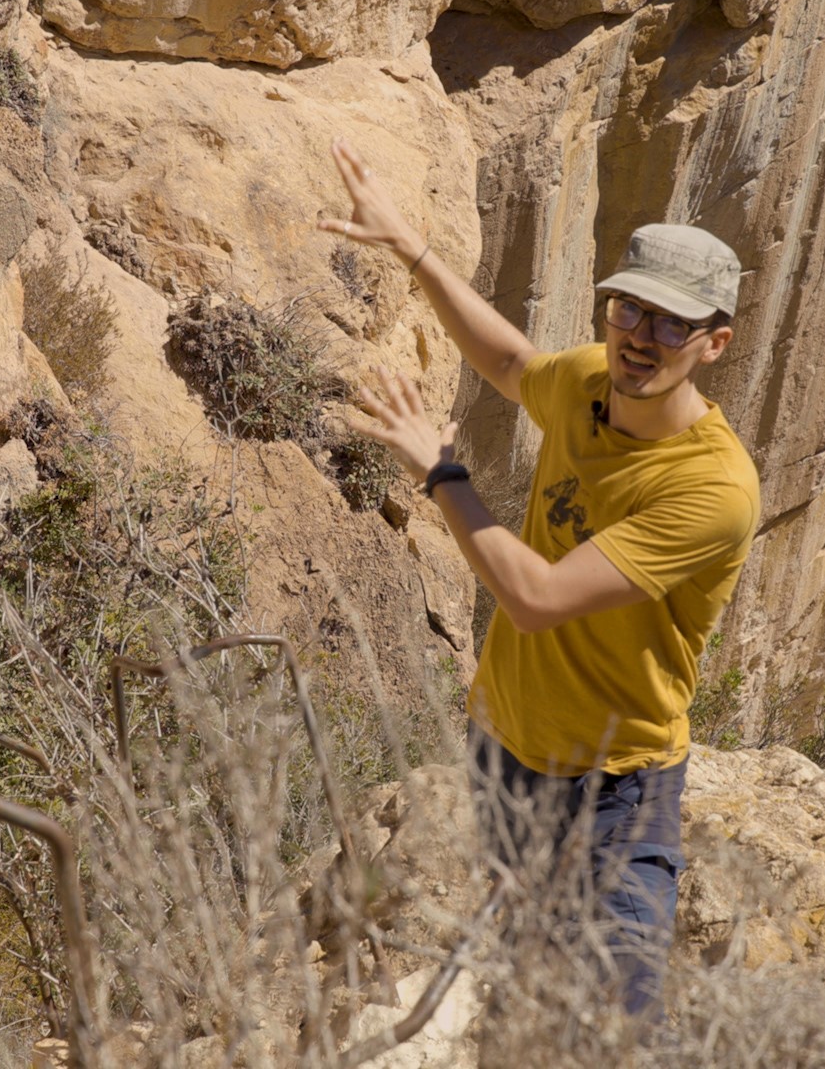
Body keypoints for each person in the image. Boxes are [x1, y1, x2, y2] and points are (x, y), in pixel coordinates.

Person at [320, 138, 760, 1026]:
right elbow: (516, 368)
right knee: (532, 995)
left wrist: (442, 473)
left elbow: (536, 596)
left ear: (714, 342)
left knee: (620, 1025)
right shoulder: (594, 383)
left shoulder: (712, 488)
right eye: (629, 310)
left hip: (616, 792)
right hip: (506, 750)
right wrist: (411, 249)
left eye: (673, 324)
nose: (643, 338)